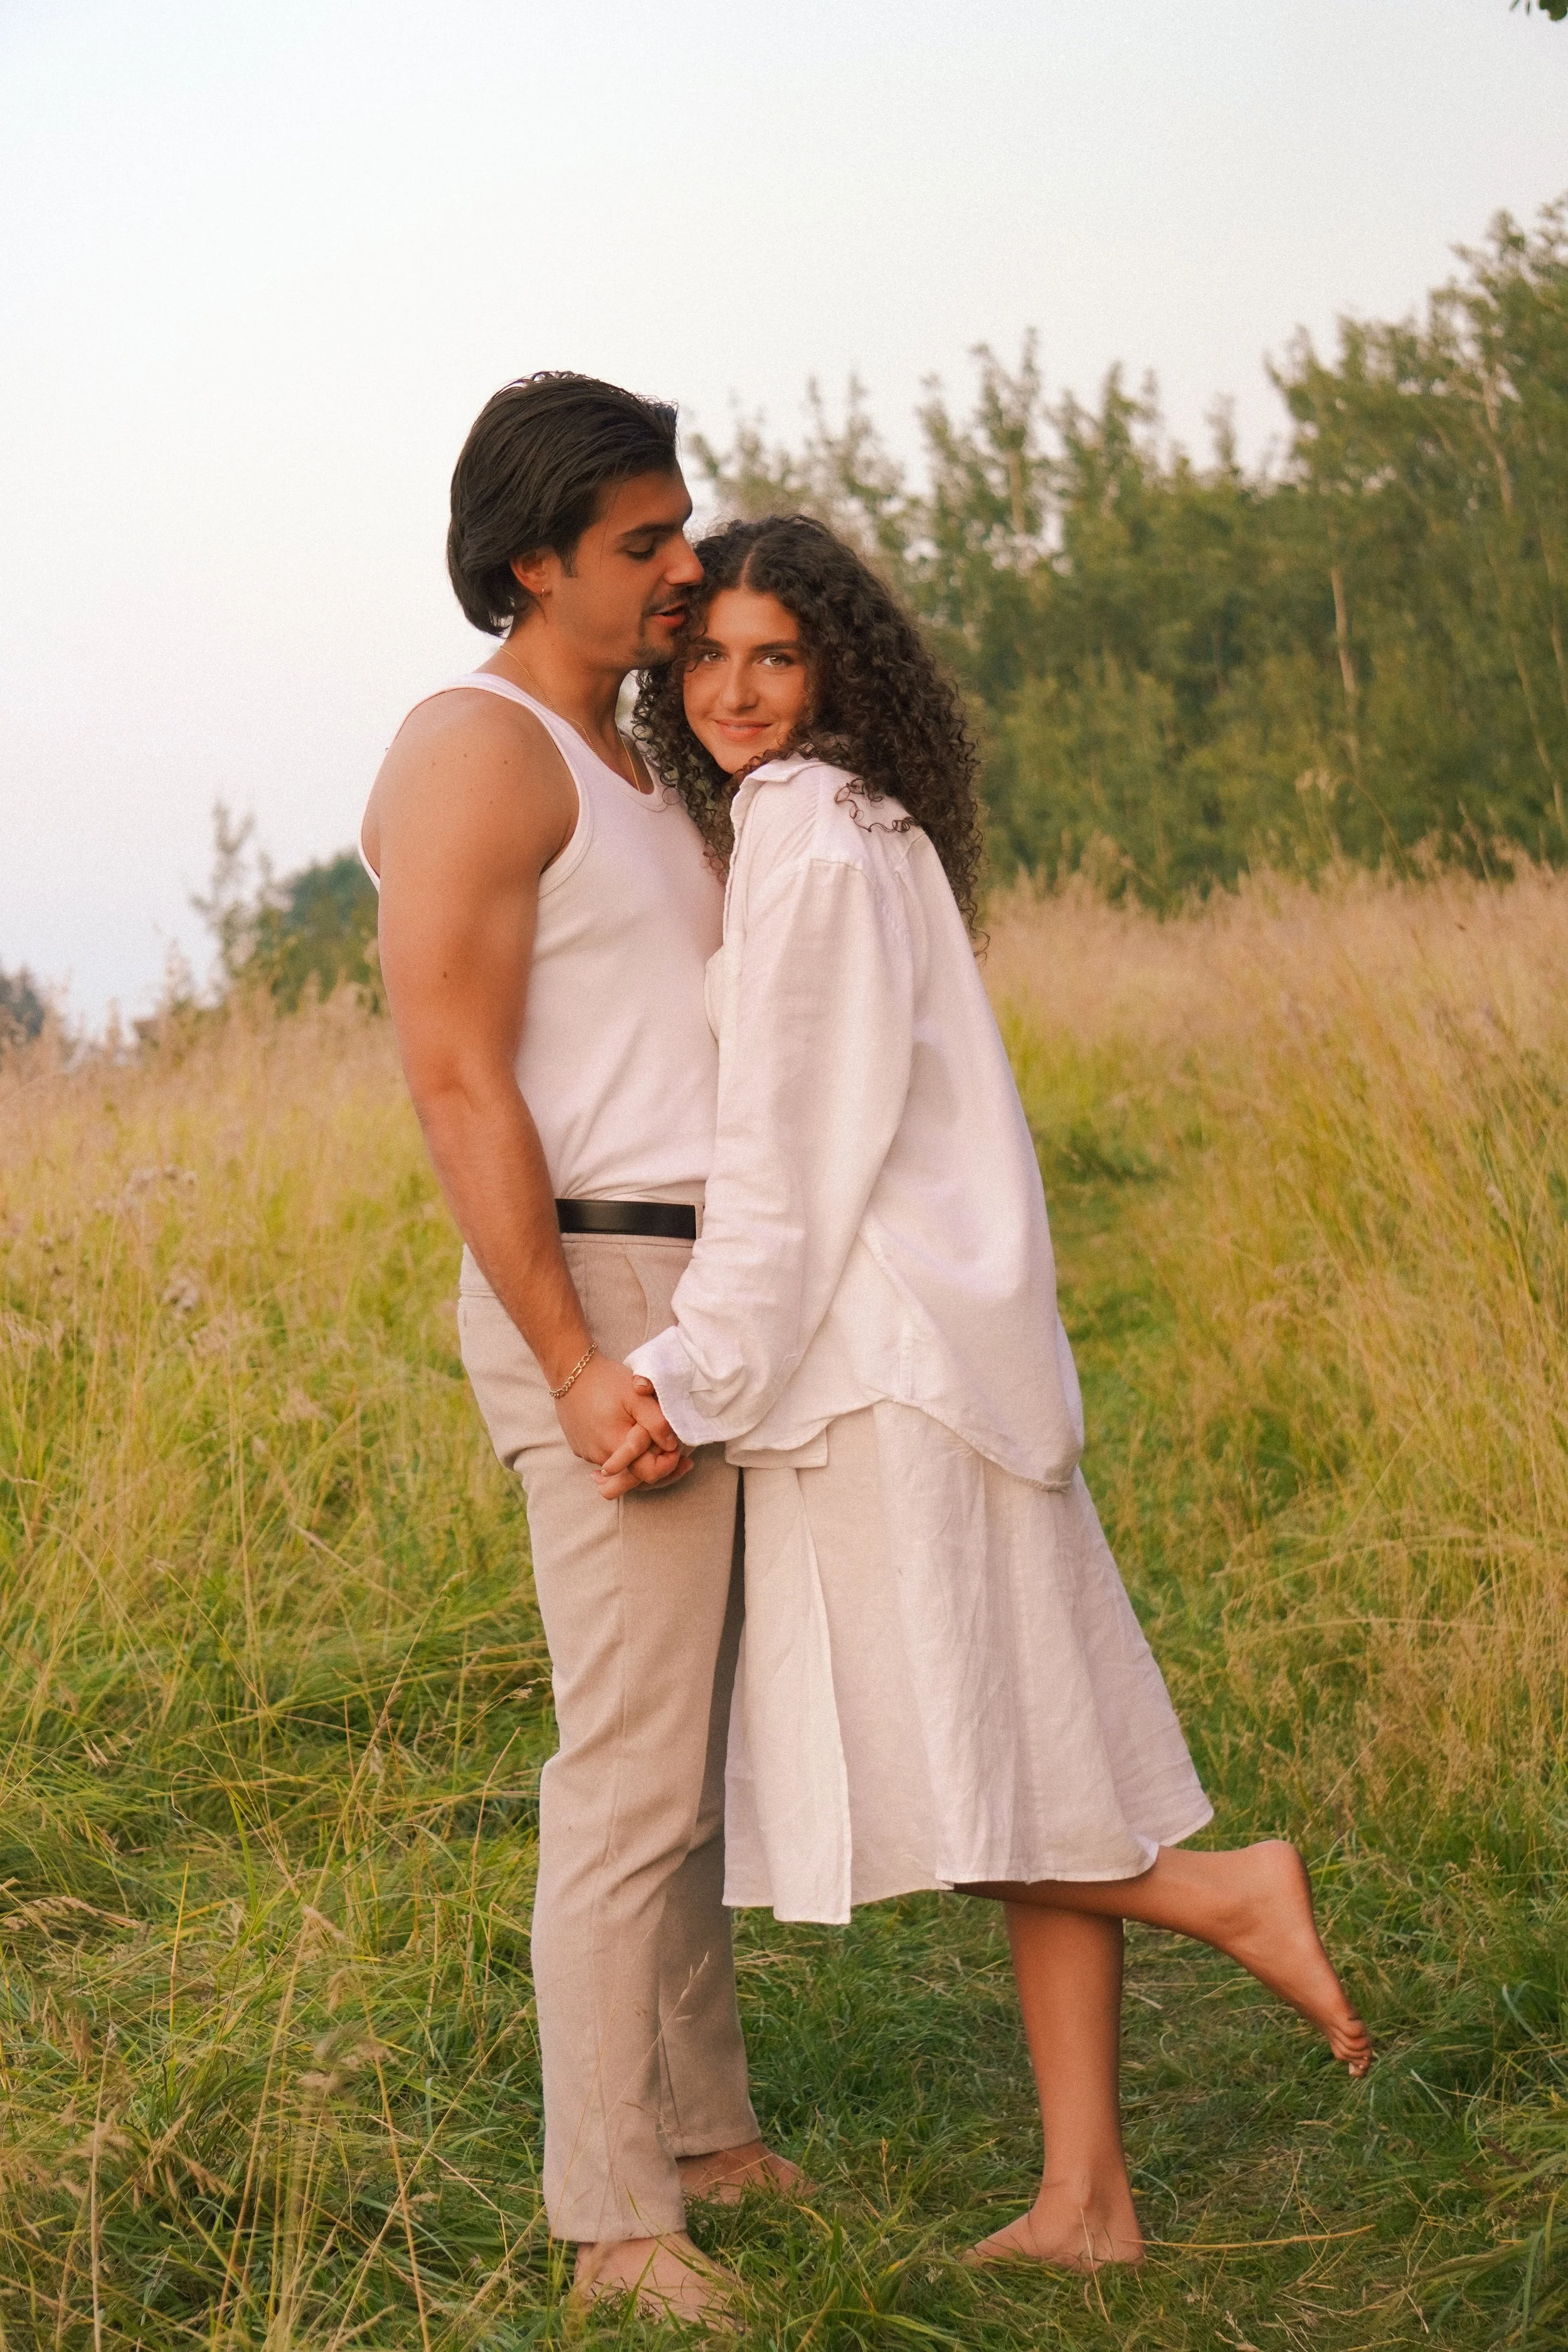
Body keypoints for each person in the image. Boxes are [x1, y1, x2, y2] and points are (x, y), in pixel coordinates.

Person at [599, 512, 1375, 2273]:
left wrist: (683, 1369)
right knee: (1027, 1764)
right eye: (703, 654)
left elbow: (785, 1157)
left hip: (880, 1372)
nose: (730, 689)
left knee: (954, 1781)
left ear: (833, 667)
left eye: (771, 655)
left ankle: (1225, 1892)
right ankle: (1086, 2201)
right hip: (959, 1357)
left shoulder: (803, 830)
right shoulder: (866, 823)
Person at [360, 376, 798, 2328]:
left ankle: (704, 2128)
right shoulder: (479, 747)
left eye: (680, 526)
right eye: (641, 543)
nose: (682, 567)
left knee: (691, 1754)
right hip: (594, 1292)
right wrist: (568, 1357)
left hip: (704, 1299)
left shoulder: (635, 763)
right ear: (530, 560)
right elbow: (454, 1077)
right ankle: (612, 2215)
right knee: (622, 1770)